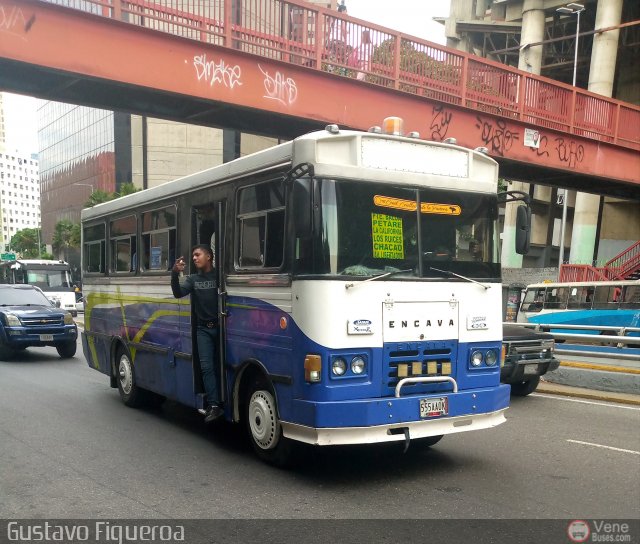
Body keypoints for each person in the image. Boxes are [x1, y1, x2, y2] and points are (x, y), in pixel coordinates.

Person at [171, 244, 223, 424]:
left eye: (197, 254)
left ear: (209, 256)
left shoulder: (220, 276)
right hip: (203, 330)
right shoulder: (192, 280)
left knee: (222, 365)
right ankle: (214, 405)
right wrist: (174, 273)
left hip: (223, 328)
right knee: (207, 367)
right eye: (193, 255)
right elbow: (178, 293)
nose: (194, 258)